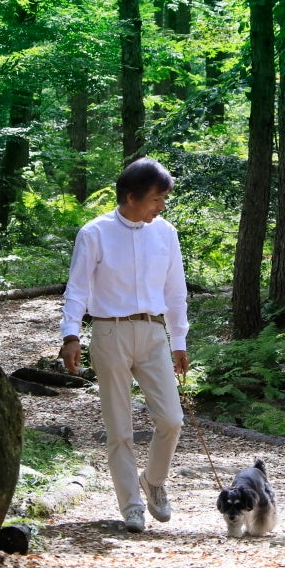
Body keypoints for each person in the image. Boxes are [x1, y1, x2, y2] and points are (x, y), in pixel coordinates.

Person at [60, 158, 190, 533]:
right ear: (131, 197)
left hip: (153, 334)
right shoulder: (95, 232)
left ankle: (154, 481)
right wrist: (70, 335)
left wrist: (178, 339)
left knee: (171, 419)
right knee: (119, 427)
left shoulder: (166, 233)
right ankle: (131, 505)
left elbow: (175, 291)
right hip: (109, 332)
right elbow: (78, 288)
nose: (160, 206)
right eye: (156, 198)